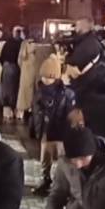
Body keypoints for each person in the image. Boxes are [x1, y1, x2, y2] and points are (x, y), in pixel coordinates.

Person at [29, 56, 76, 195]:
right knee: (45, 159)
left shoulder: (66, 93)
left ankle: (62, 185)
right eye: (43, 76)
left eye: (48, 76)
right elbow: (36, 113)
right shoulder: (39, 91)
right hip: (45, 131)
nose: (45, 80)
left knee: (62, 160)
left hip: (60, 132)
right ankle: (46, 180)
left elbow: (70, 115)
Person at [65, 18, 105, 98]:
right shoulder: (90, 40)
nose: (75, 28)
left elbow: (74, 61)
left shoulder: (88, 44)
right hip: (92, 83)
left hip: (87, 85)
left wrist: (65, 57)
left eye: (77, 26)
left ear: (83, 28)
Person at [0, 27, 23, 121]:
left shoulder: (7, 43)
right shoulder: (22, 44)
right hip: (18, 68)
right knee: (16, 89)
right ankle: (16, 110)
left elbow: (2, 56)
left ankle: (7, 110)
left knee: (6, 89)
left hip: (7, 67)